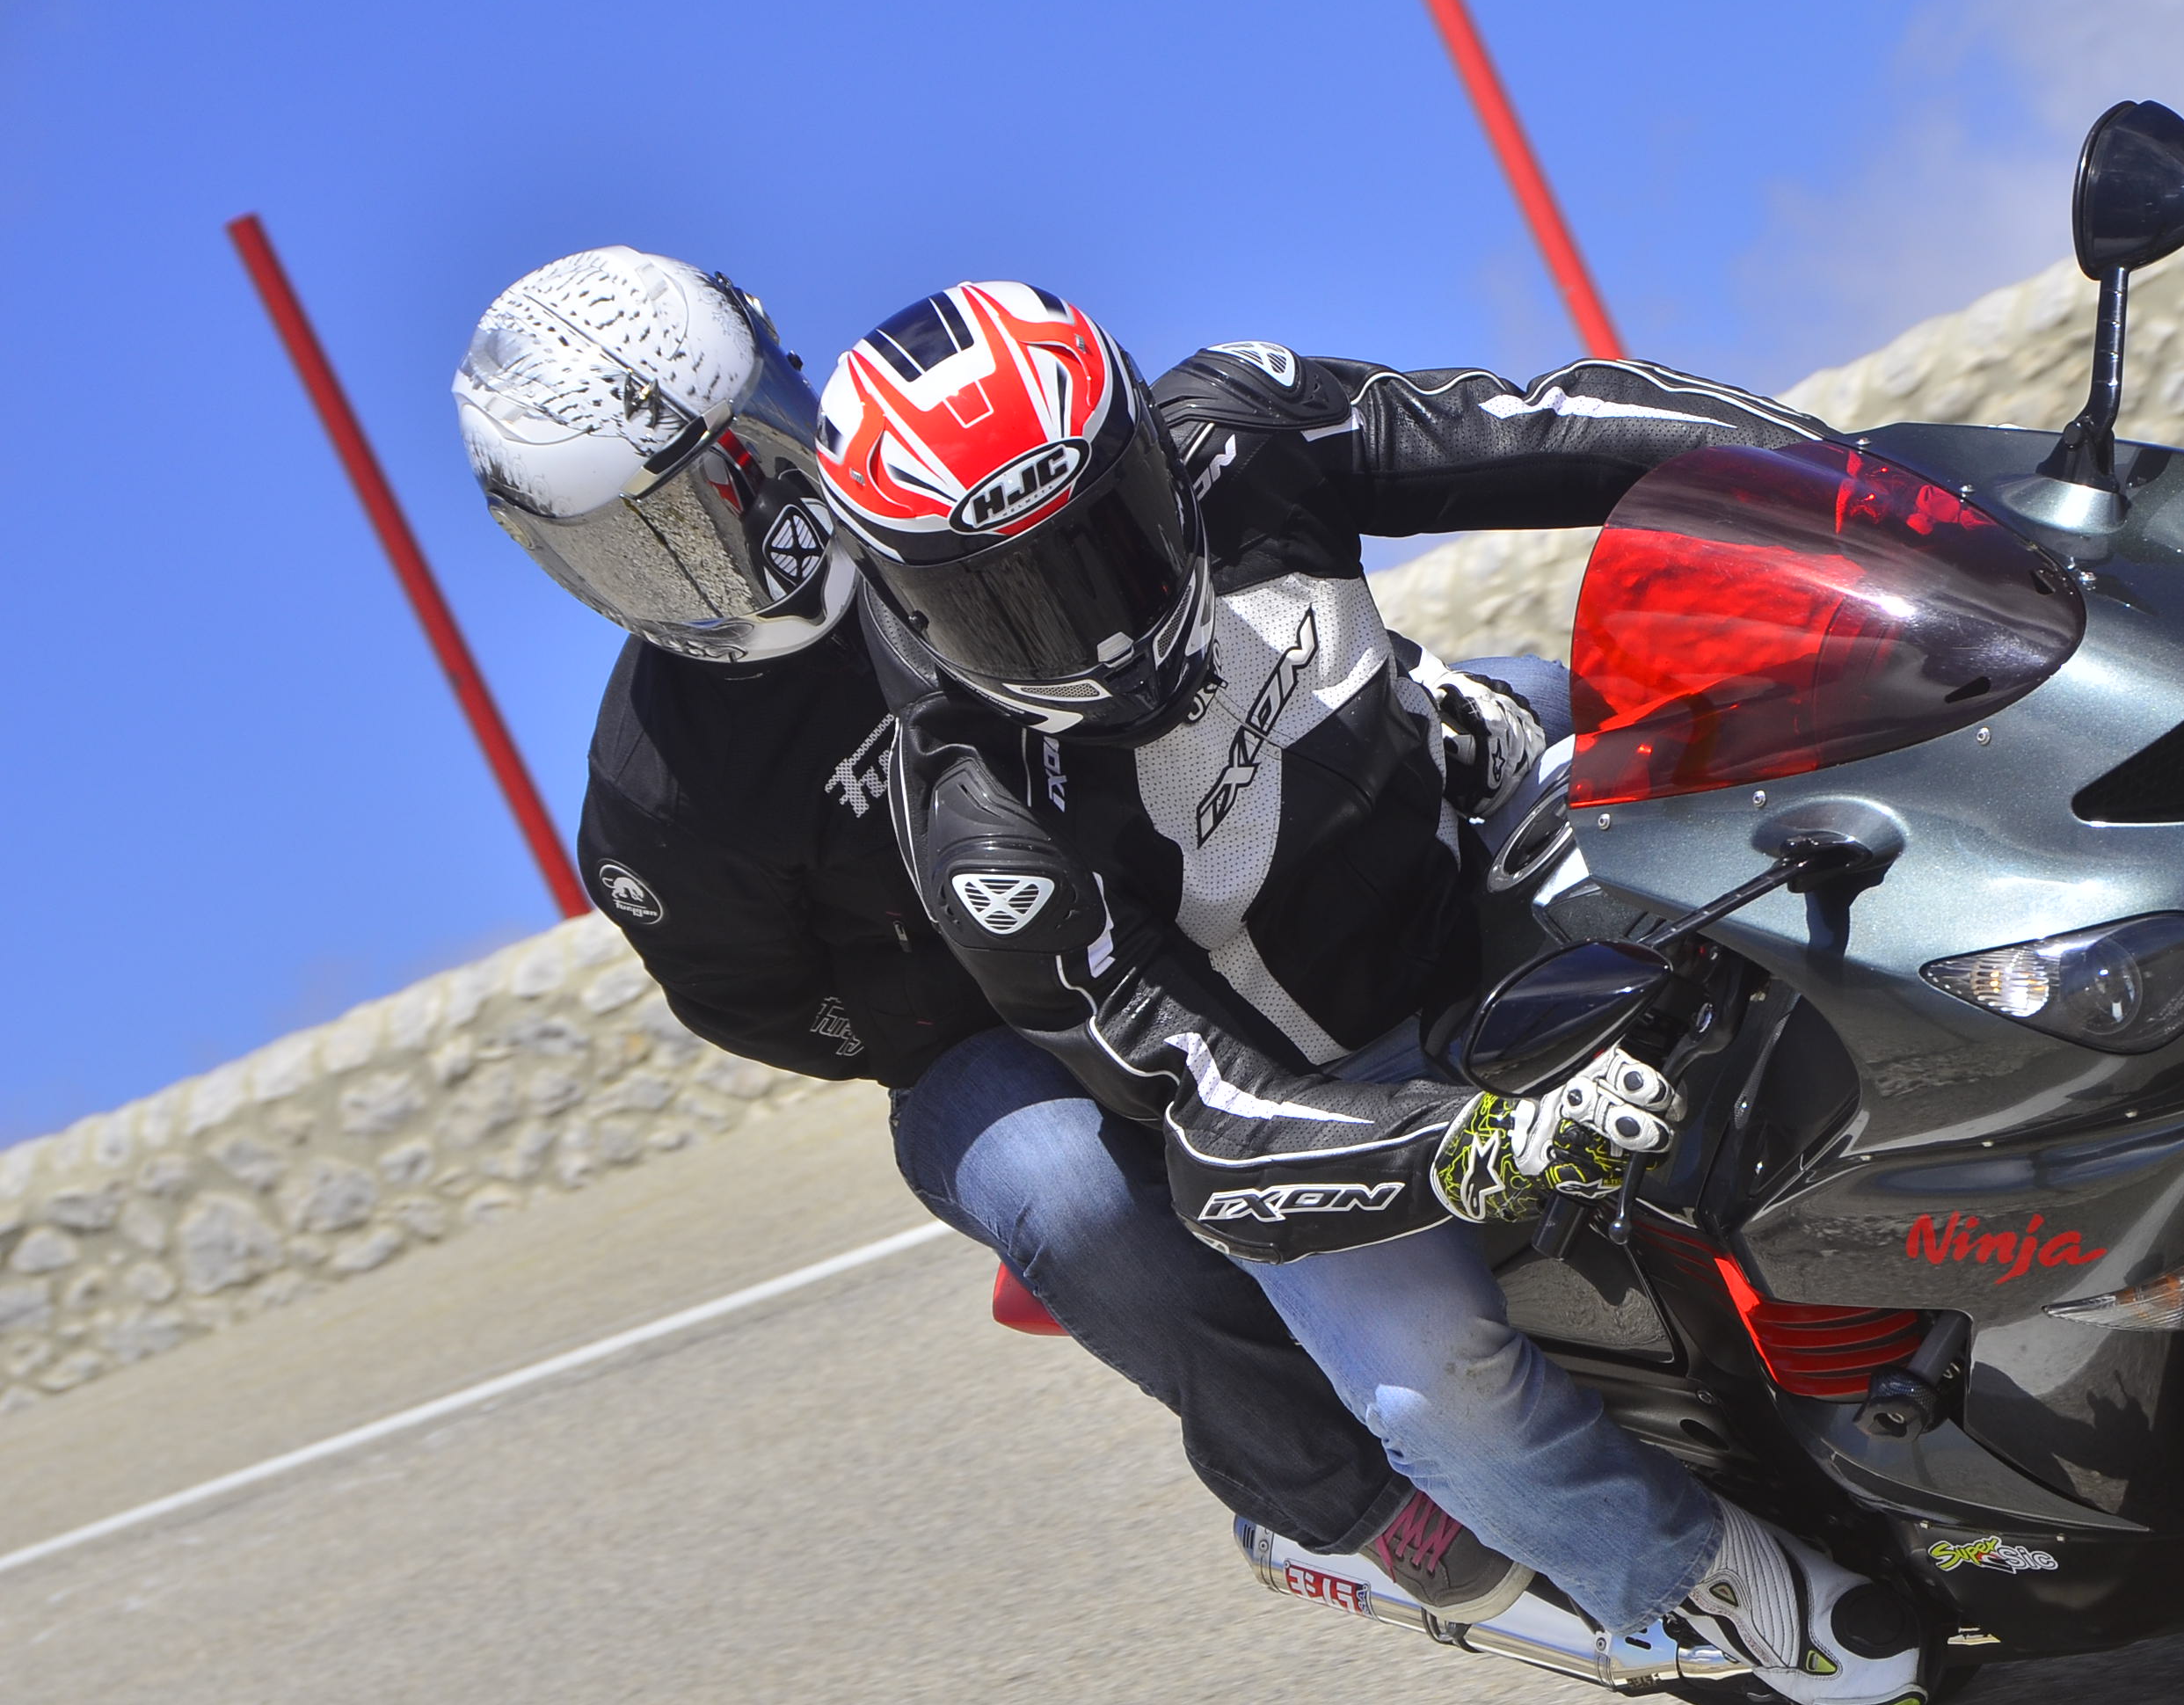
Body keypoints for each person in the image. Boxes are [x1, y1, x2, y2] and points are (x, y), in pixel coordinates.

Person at [815, 282, 1931, 1705]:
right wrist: (1455, 1147)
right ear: (906, 593)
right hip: (1324, 1092)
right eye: (1004, 597)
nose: (1081, 631)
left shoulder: (1240, 426)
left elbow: (1540, 424)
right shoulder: (982, 829)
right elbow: (1203, 1117)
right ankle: (1696, 1583)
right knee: (1432, 1385)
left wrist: (1828, 471)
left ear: (1147, 452)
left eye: (1095, 548)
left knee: (1838, 838)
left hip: (1488, 840)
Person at [449, 247, 1525, 1615]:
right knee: (1065, 1190)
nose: (733, 539)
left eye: (746, 468)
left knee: (1536, 700)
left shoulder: (957, 487)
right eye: (642, 539)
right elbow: (759, 1003)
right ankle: (1348, 1505)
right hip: (980, 1029)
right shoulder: (658, 800)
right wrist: (972, 994)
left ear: (790, 383)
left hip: (1193, 846)